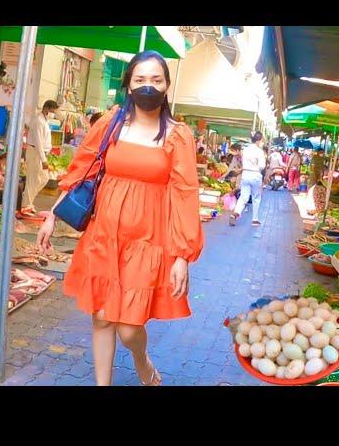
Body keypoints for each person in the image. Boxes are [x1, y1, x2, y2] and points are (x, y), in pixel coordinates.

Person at [36, 51, 204, 386]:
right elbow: (83, 169)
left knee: (128, 329)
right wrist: (52, 214)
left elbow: (186, 193)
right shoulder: (112, 121)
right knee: (101, 317)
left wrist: (183, 255)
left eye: (156, 80)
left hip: (148, 239)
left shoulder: (177, 134)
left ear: (167, 86)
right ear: (128, 84)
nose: (148, 86)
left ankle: (142, 362)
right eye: (140, 79)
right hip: (104, 233)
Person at [22, 99, 59, 212]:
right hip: (35, 152)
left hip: (40, 153)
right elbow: (38, 142)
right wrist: (43, 160)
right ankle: (26, 205)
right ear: (46, 109)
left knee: (43, 178)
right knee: (33, 180)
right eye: (53, 111)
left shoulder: (44, 120)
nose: (53, 114)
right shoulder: (38, 121)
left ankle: (27, 202)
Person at [230, 132, 265, 227]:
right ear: (259, 140)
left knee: (243, 196)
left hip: (245, 175)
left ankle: (236, 212)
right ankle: (255, 219)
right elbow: (262, 166)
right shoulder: (259, 151)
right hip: (255, 175)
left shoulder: (245, 150)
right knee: (256, 197)